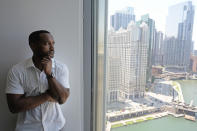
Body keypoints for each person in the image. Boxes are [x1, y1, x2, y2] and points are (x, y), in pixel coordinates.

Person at [5, 30, 70, 131]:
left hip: (56, 127)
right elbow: (14, 106)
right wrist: (48, 96)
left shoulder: (61, 68)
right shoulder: (17, 71)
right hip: (27, 128)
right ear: (33, 46)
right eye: (47, 44)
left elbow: (62, 99)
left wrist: (49, 74)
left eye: (53, 43)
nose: (52, 48)